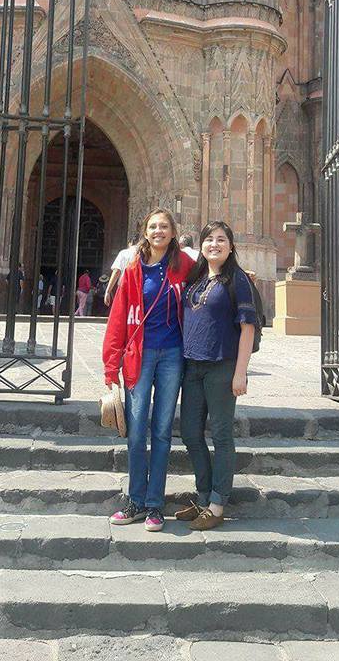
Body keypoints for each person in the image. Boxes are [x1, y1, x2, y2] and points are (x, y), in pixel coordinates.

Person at [102, 208, 195, 532]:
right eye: (153, 226)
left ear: (173, 232)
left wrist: (240, 277)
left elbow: (213, 277)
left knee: (162, 431)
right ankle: (136, 500)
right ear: (145, 232)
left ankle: (155, 504)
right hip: (138, 357)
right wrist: (110, 366)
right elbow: (118, 318)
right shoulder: (133, 269)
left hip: (172, 356)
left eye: (164, 226)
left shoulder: (184, 265)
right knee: (137, 429)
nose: (158, 231)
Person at [177, 220, 258, 530]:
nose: (214, 244)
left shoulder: (238, 279)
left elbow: (248, 328)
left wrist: (241, 373)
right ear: (201, 246)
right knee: (190, 433)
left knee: (222, 435)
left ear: (231, 246)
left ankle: (217, 504)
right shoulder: (196, 278)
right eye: (209, 239)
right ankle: (203, 496)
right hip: (192, 366)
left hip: (222, 366)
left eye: (221, 239)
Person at [105, 237, 139, 306]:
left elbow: (116, 271)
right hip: (139, 288)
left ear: (130, 243)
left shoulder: (124, 253)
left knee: (123, 309)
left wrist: (108, 291)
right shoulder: (144, 255)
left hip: (124, 287)